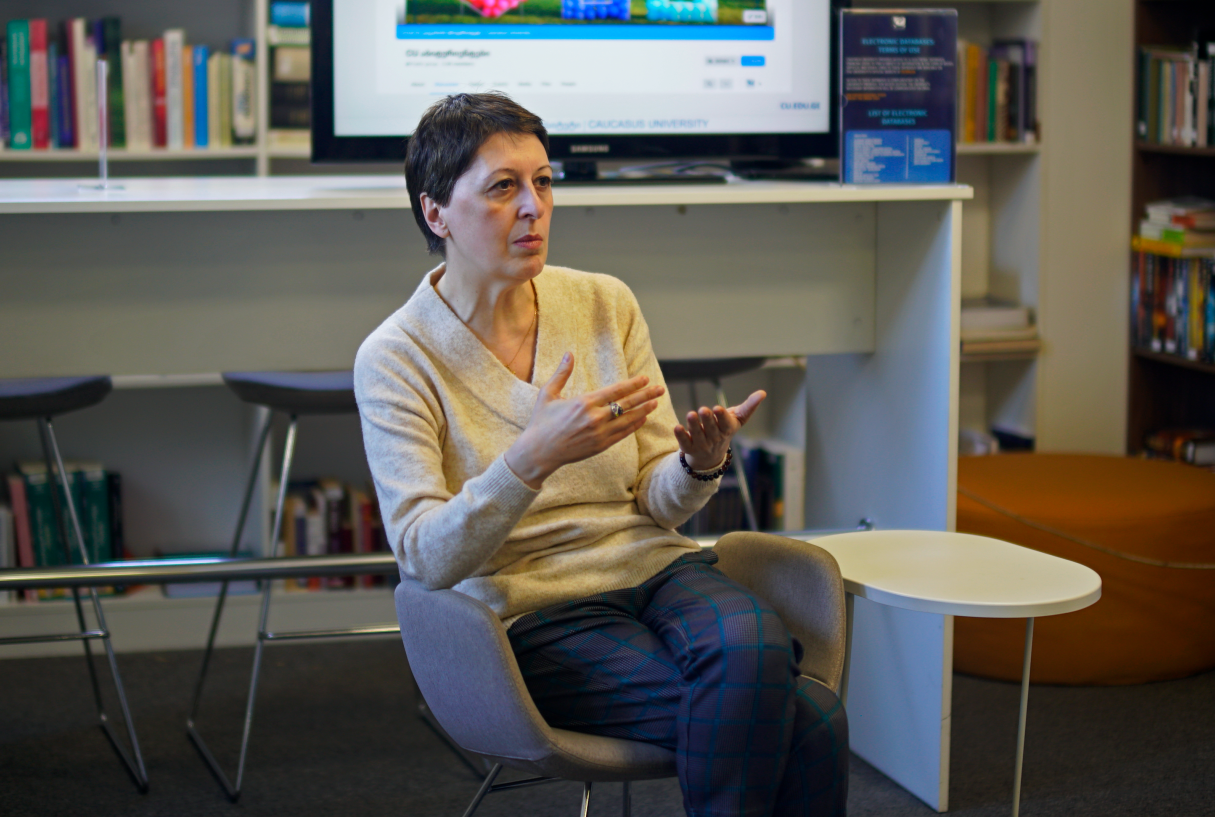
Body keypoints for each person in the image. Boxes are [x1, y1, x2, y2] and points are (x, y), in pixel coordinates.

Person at [354, 92, 847, 816]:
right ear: (436, 213)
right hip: (534, 611)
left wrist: (696, 465)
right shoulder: (396, 358)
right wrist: (529, 460)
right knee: (809, 717)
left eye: (543, 182)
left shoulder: (602, 302)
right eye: (503, 187)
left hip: (657, 567)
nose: (534, 207)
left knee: (753, 650)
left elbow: (655, 500)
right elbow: (424, 558)